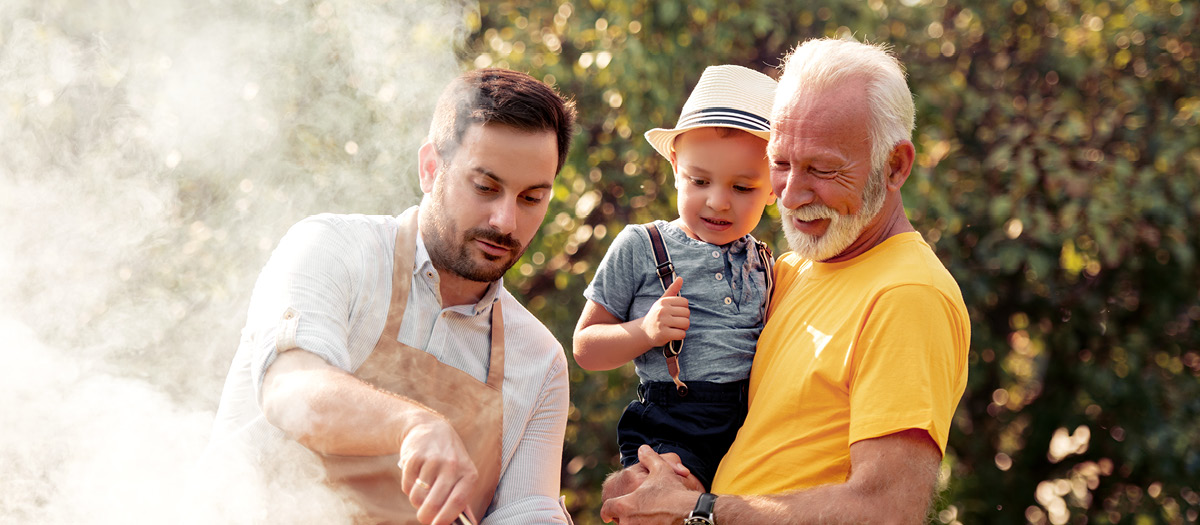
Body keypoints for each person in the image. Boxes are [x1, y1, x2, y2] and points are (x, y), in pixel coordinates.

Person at [600, 37, 971, 525]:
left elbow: (887, 511)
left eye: (822, 169)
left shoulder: (907, 295)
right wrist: (644, 482)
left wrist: (701, 511)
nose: (792, 195)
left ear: (896, 165)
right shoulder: (783, 273)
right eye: (780, 163)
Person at [203, 68, 577, 525]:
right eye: (485, 187)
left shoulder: (540, 363)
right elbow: (290, 388)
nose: (505, 221)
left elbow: (527, 513)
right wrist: (413, 425)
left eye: (531, 198)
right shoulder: (332, 248)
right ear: (430, 168)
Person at [572, 65, 778, 492]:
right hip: (674, 426)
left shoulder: (765, 261)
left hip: (749, 431)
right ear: (674, 164)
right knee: (657, 497)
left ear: (774, 186)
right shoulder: (641, 246)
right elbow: (586, 348)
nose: (718, 202)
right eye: (699, 180)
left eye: (743, 188)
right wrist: (645, 330)